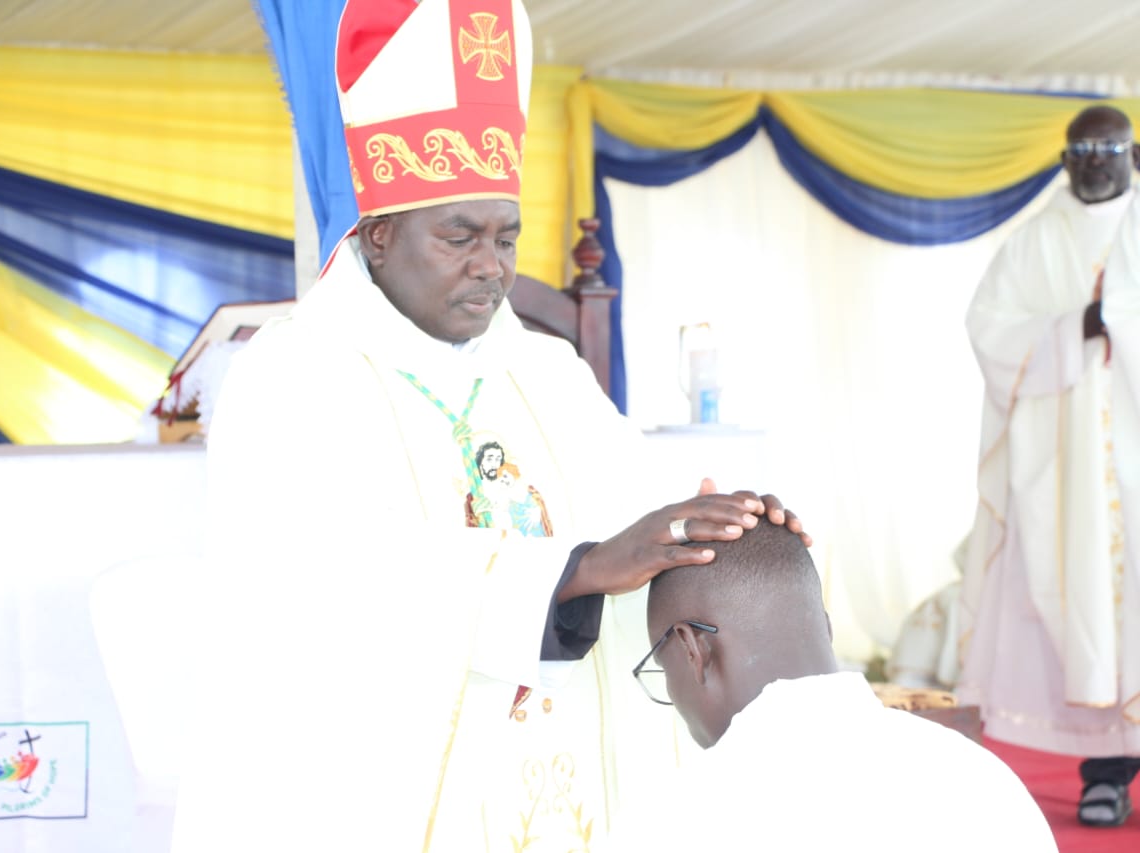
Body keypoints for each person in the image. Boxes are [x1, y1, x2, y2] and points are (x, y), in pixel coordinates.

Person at [169, 1, 806, 851]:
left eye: (506, 237)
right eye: (458, 236)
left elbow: (635, 508)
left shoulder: (546, 371)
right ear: (378, 234)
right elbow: (332, 577)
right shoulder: (293, 372)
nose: (491, 267)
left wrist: (720, 531)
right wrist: (573, 570)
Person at [606, 523, 1056, 852]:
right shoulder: (982, 779)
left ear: (692, 649)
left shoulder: (672, 821)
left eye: (660, 669)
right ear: (825, 627)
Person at [957, 103, 1140, 828]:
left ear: (1132, 154)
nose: (1093, 161)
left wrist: (1121, 320)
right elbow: (989, 327)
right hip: (1068, 468)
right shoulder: (1033, 241)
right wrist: (1074, 329)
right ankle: (1107, 773)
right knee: (1088, 603)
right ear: (1064, 160)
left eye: (1107, 148)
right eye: (1080, 150)